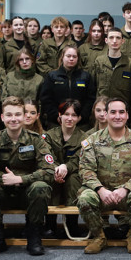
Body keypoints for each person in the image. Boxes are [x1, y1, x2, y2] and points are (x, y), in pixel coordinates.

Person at [0, 96, 55, 256]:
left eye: (18, 114)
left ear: (24, 116)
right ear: (2, 117)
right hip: (3, 192)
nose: (14, 119)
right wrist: (7, 180)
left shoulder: (36, 140)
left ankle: (34, 238)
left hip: (27, 193)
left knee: (41, 187)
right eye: (9, 115)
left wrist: (20, 179)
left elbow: (49, 170)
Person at [76, 97, 131, 255]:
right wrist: (100, 190)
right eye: (113, 112)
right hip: (101, 194)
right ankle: (99, 237)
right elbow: (85, 170)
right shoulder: (92, 140)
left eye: (121, 112)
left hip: (127, 194)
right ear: (105, 114)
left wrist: (125, 189)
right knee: (85, 197)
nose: (117, 116)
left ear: (127, 115)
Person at [45, 99, 85, 239]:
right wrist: (57, 168)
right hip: (53, 171)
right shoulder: (49, 135)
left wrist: (65, 167)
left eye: (74, 115)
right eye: (66, 114)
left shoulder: (84, 138)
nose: (69, 118)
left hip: (72, 172)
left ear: (79, 118)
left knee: (74, 179)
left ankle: (72, 223)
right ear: (59, 115)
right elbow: (46, 156)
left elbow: (80, 159)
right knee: (49, 177)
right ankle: (50, 224)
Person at [39, 44, 95, 129]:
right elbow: (46, 99)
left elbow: (90, 99)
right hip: (56, 123)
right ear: (62, 57)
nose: (71, 59)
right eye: (68, 56)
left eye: (74, 56)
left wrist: (82, 116)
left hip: (80, 124)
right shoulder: (52, 76)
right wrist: (56, 116)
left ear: (78, 58)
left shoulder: (85, 77)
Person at [0, 46, 43, 119]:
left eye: (27, 59)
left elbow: (40, 103)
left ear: (32, 60)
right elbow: (4, 98)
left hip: (31, 117)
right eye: (21, 59)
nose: (24, 62)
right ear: (18, 62)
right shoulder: (10, 77)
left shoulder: (39, 79)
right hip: (13, 116)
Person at [91, 27, 131, 110]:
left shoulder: (130, 63)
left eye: (118, 38)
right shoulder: (99, 61)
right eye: (111, 38)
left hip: (121, 110)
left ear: (123, 41)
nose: (114, 41)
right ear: (106, 40)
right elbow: (93, 87)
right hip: (102, 109)